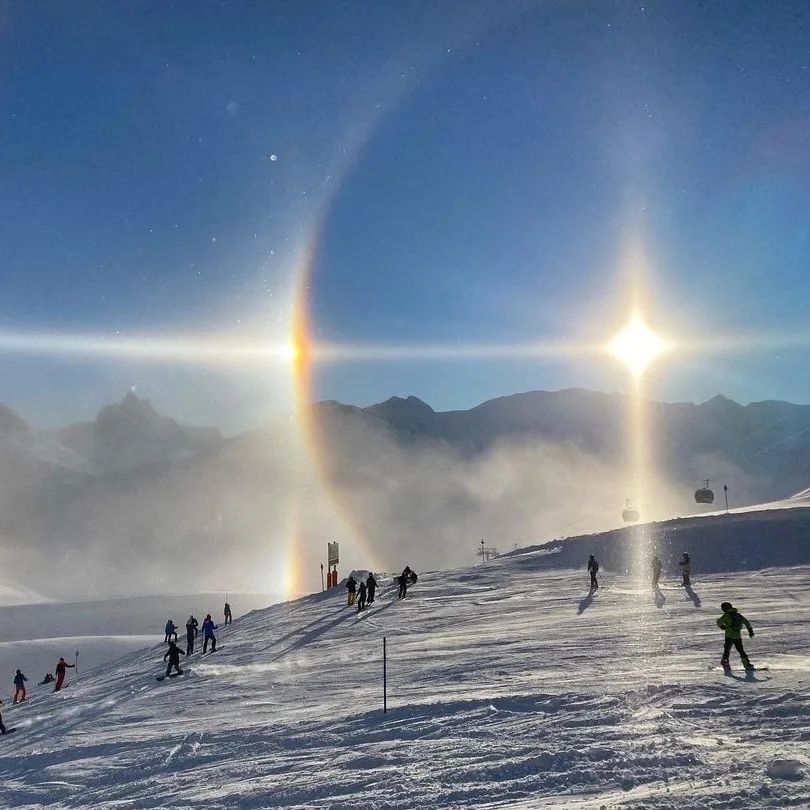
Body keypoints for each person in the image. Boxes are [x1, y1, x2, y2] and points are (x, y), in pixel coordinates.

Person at [717, 601, 754, 671]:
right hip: (737, 636)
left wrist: (722, 626)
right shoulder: (738, 615)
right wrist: (750, 631)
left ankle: (725, 662)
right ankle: (746, 664)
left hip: (729, 636)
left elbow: (719, 622)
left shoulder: (726, 615)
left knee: (727, 650)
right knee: (741, 650)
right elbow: (746, 622)